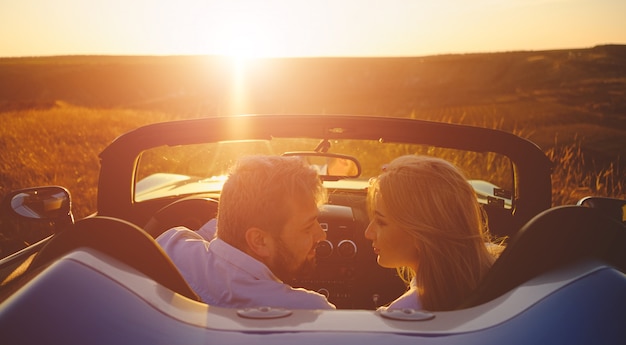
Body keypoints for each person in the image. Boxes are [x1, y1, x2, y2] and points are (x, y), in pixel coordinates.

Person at [157, 155, 336, 310]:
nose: (322, 235)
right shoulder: (312, 311)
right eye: (307, 227)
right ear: (259, 241)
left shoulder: (170, 247)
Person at [364, 155, 503, 311]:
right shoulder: (504, 267)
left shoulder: (404, 313)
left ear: (422, 233)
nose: (368, 233)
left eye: (381, 222)